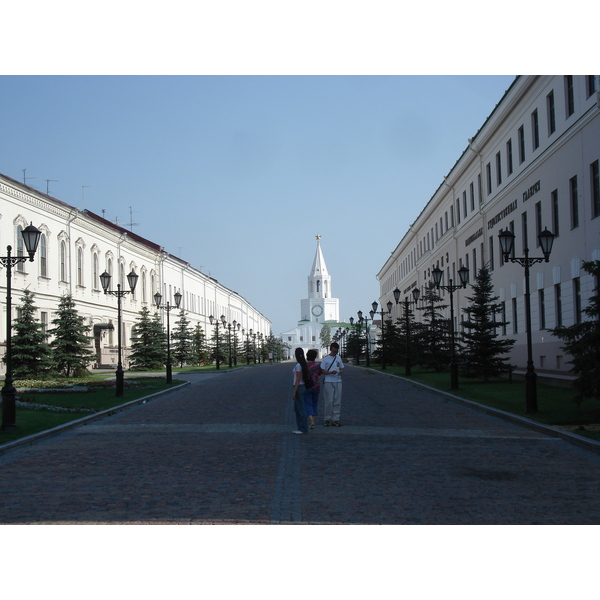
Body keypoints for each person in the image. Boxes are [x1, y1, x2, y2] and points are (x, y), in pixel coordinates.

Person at [320, 342, 344, 427]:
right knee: (329, 401)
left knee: (337, 401)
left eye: (336, 351)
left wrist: (340, 371)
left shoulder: (338, 358)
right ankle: (327, 418)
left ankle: (335, 419)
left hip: (338, 380)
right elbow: (322, 371)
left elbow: (342, 367)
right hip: (329, 380)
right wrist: (330, 372)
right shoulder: (326, 359)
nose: (335, 353)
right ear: (330, 349)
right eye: (334, 351)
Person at [291, 347, 310, 434]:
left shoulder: (298, 365)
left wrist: (294, 391)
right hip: (302, 386)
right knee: (297, 409)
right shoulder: (303, 364)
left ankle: (303, 428)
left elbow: (298, 379)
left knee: (301, 409)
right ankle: (300, 427)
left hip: (299, 387)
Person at [304, 349, 321, 429]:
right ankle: (313, 421)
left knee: (308, 404)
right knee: (315, 403)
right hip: (316, 386)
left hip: (307, 386)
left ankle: (311, 421)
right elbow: (320, 373)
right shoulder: (317, 365)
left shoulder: (304, 365)